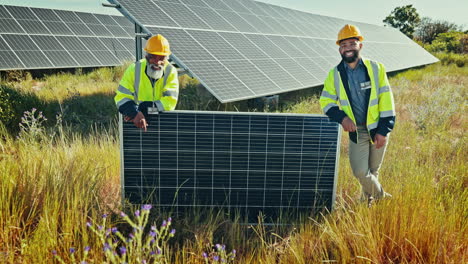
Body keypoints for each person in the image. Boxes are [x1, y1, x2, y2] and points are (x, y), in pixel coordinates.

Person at [319, 24, 396, 203]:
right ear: (340, 49)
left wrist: (384, 130)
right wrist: (342, 117)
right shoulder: (335, 74)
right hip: (357, 131)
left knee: (373, 170)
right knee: (360, 171)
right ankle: (382, 198)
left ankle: (365, 205)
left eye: (352, 44)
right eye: (344, 45)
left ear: (360, 45)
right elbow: (326, 101)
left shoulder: (376, 68)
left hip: (378, 127)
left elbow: (386, 100)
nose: (348, 48)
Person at [115, 34, 179, 131]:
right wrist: (134, 112)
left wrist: (143, 110)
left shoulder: (170, 71)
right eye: (153, 57)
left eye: (161, 58)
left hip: (161, 124)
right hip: (136, 123)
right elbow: (121, 97)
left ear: (167, 59)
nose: (157, 62)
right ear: (146, 56)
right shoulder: (134, 69)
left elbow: (170, 102)